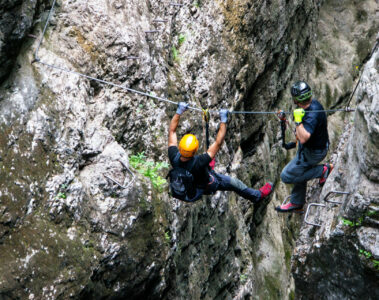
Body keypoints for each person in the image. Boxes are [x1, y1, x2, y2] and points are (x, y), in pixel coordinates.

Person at [168, 102, 273, 202]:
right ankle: (256, 196)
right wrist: (223, 120)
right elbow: (218, 143)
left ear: (180, 146)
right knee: (235, 183)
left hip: (192, 184)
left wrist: (178, 112)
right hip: (207, 185)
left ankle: (209, 168)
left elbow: (172, 131)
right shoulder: (200, 161)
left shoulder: (174, 156)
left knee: (208, 159)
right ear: (195, 150)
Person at [275, 81, 333, 212]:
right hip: (312, 148)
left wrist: (298, 121)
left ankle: (323, 171)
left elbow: (303, 137)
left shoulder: (312, 114)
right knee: (298, 170)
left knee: (286, 176)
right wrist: (287, 121)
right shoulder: (312, 105)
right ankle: (297, 202)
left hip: (314, 153)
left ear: (296, 100)